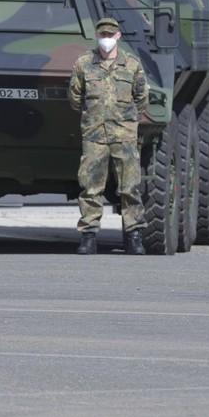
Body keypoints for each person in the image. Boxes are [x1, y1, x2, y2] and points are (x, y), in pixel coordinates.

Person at [69, 17, 149, 255]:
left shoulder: (132, 65)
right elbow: (75, 98)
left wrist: (123, 119)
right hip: (94, 136)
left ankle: (134, 236)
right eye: (102, 35)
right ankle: (89, 236)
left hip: (124, 136)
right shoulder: (84, 64)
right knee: (90, 188)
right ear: (97, 36)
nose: (106, 39)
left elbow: (141, 99)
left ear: (118, 36)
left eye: (110, 35)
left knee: (130, 188)